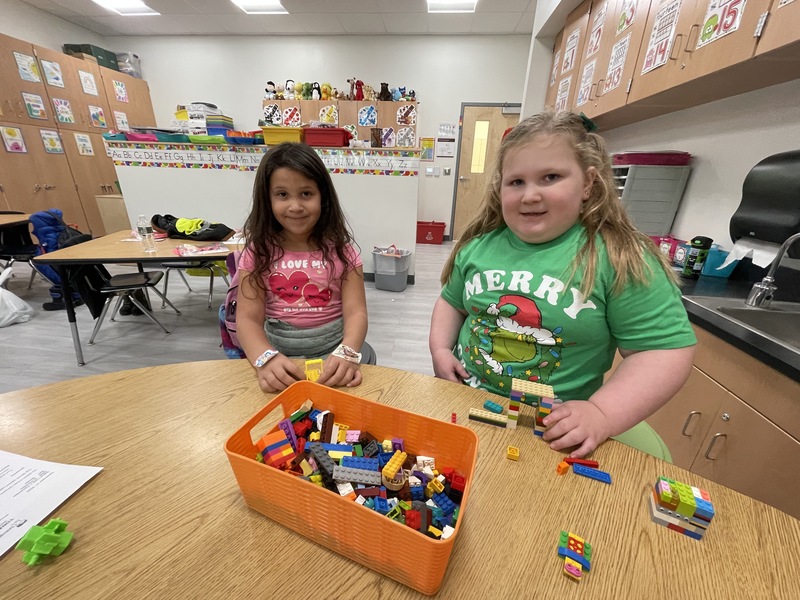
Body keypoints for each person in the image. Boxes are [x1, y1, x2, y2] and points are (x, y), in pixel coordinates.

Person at [429, 111, 696, 458]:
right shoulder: (478, 246)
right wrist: (440, 349)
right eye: (516, 182)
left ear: (588, 183)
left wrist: (602, 413)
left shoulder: (619, 258)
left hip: (553, 432)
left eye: (550, 177)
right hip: (466, 405)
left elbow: (662, 351)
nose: (529, 195)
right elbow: (452, 302)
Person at [236, 142, 368, 393]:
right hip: (280, 362)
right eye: (282, 194)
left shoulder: (344, 251)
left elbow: (356, 313)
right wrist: (264, 359)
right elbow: (247, 320)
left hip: (334, 359)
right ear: (268, 198)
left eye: (306, 193)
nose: (295, 206)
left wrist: (348, 352)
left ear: (323, 198)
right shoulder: (258, 253)